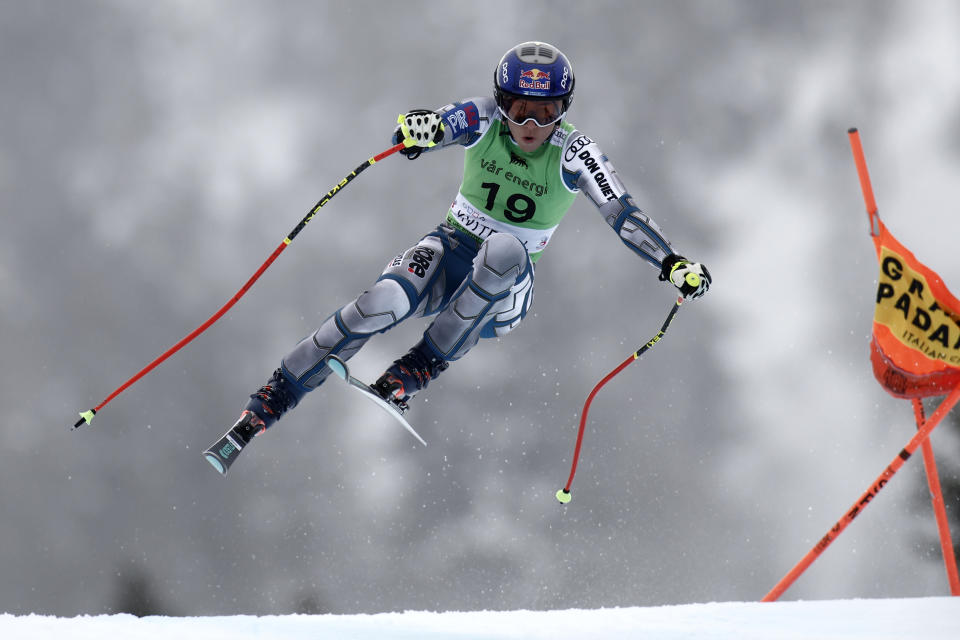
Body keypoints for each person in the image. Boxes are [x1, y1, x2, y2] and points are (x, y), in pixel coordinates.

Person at [203, 41, 711, 475]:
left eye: (546, 111)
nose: (530, 123)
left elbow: (621, 210)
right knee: (380, 303)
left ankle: (417, 369)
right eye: (518, 107)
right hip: (449, 249)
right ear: (501, 101)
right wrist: (415, 131)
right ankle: (269, 401)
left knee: (505, 249)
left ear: (564, 109)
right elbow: (438, 122)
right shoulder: (485, 118)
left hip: (506, 290)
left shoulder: (575, 151)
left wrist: (671, 262)